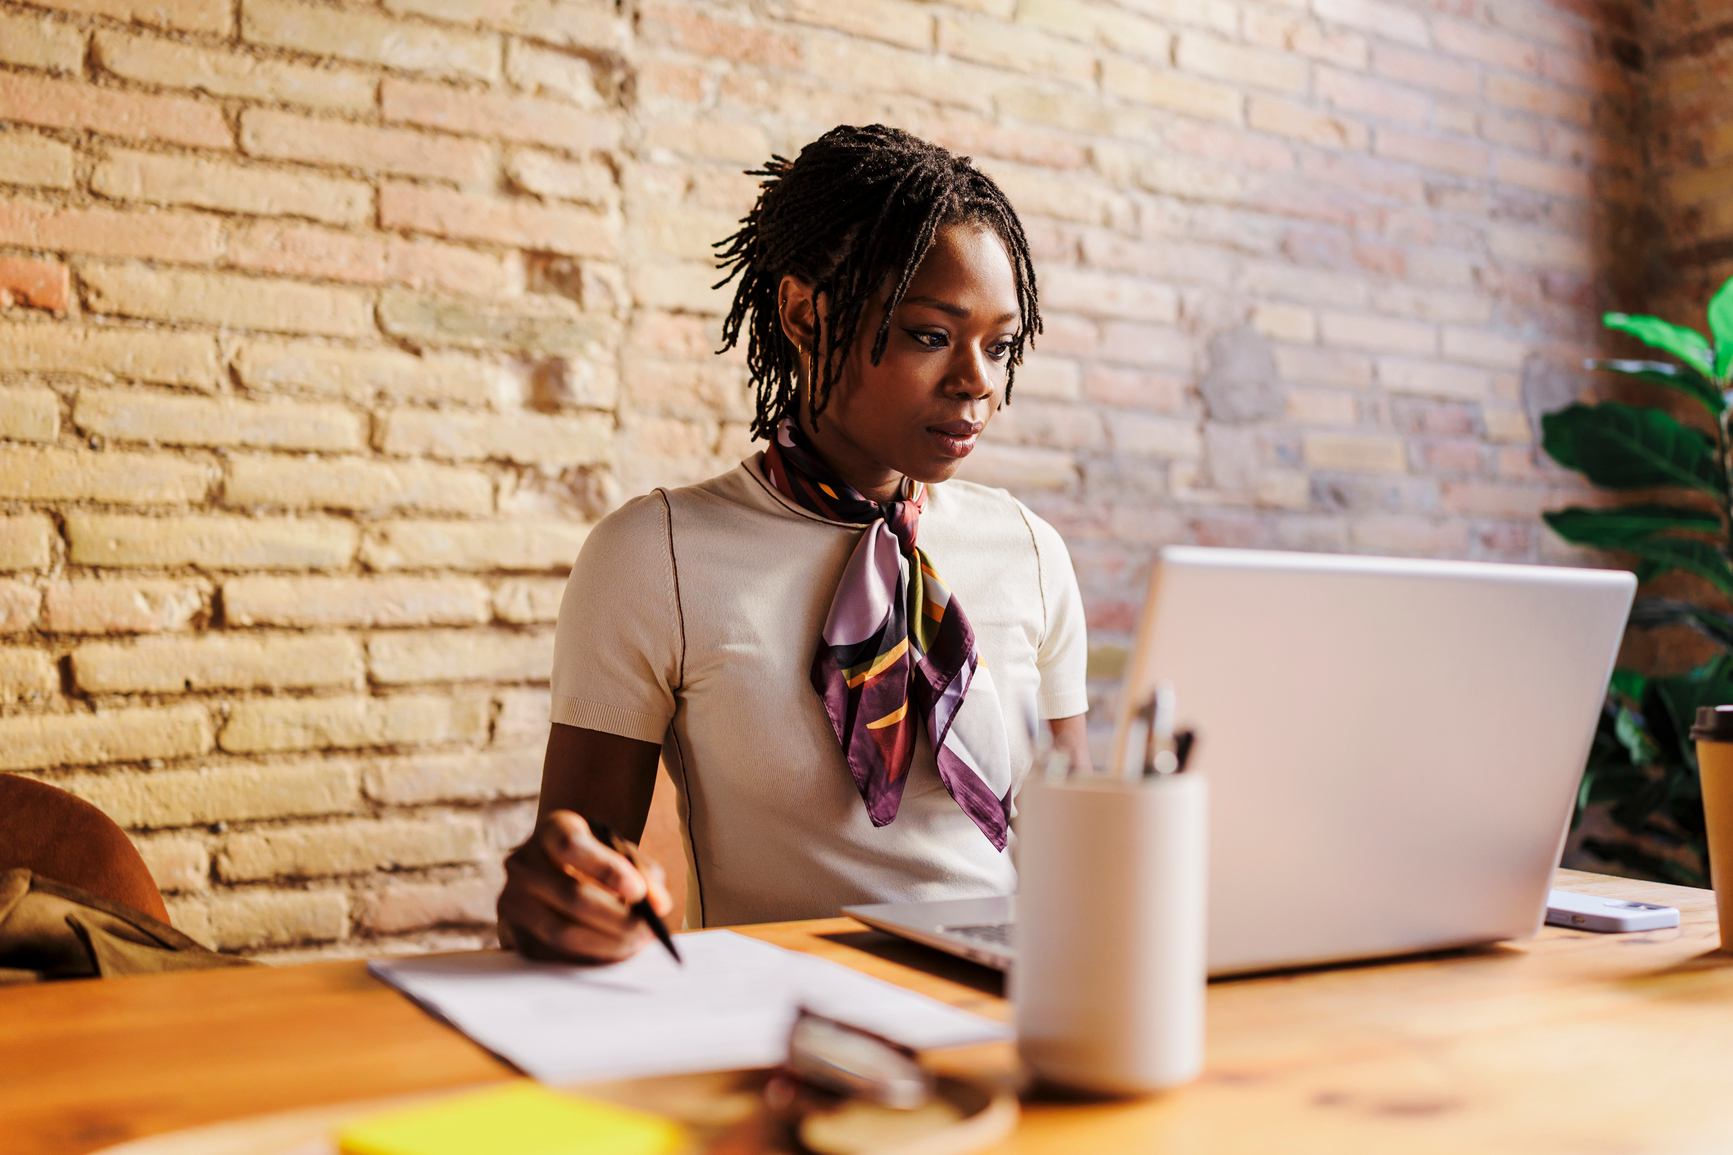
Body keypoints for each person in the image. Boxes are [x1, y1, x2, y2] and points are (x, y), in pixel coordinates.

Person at [497, 124, 1090, 963]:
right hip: (781, 1021)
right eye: (931, 334)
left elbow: (1086, 856)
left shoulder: (1028, 552)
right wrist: (563, 898)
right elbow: (571, 883)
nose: (978, 382)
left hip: (1016, 1006)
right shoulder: (655, 555)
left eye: (998, 346)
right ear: (804, 314)